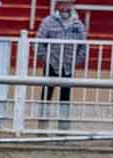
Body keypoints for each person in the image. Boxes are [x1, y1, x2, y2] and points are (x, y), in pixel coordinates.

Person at [35, 0, 86, 130]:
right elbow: (38, 43)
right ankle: (41, 128)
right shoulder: (48, 21)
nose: (65, 6)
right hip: (51, 64)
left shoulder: (78, 24)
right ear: (58, 5)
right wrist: (47, 59)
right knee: (46, 97)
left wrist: (75, 61)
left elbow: (83, 47)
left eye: (68, 3)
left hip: (68, 67)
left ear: (72, 5)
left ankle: (63, 129)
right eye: (62, 3)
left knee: (65, 99)